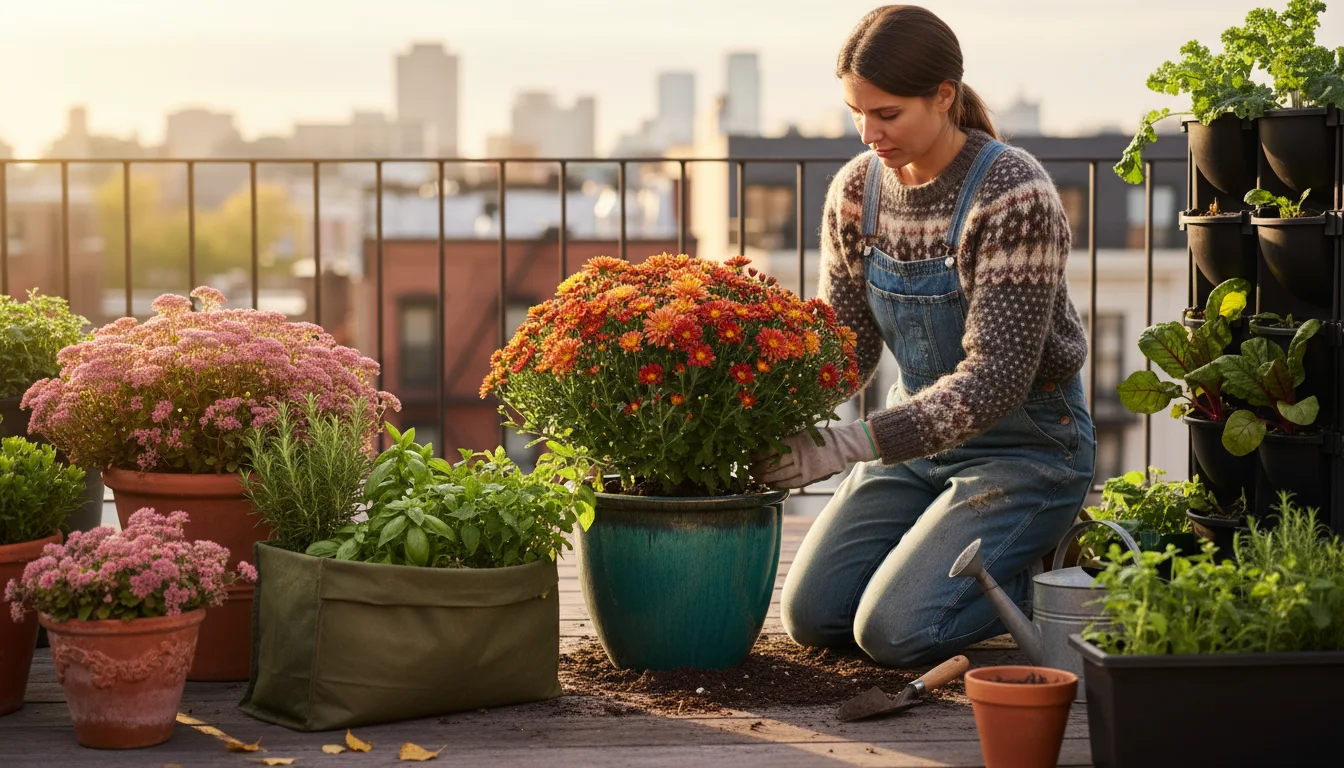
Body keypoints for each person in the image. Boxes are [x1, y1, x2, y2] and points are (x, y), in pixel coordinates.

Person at [750, 4, 1096, 667]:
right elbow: (845, 347)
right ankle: (949, 558)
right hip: (916, 448)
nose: (867, 133)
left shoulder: (1012, 195)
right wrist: (769, 412)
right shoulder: (858, 193)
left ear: (943, 97)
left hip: (1025, 453)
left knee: (893, 633)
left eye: (886, 114)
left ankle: (1044, 580)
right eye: (856, 112)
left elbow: (994, 381)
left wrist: (847, 445)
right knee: (813, 615)